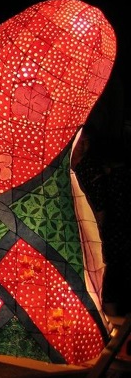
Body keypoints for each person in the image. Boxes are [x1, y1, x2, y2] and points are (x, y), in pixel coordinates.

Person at [72, 124, 131, 317]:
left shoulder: (88, 167)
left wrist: (100, 226)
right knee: (115, 268)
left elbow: (99, 202)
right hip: (112, 226)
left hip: (111, 227)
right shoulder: (88, 168)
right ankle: (113, 313)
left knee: (114, 267)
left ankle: (112, 314)